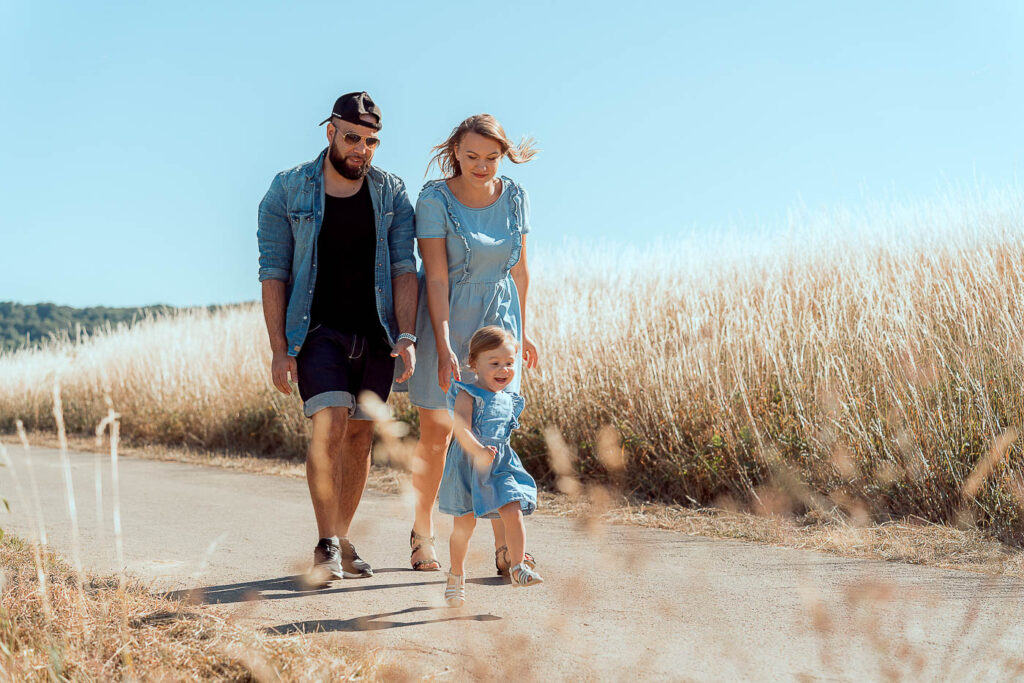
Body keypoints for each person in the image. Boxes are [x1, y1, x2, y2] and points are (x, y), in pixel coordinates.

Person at [257, 92, 418, 580]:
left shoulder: (391, 193)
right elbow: (274, 272)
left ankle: (342, 537)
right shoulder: (287, 191)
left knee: (360, 435)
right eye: (352, 138)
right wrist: (279, 349)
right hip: (318, 332)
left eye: (371, 141)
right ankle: (326, 543)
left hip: (376, 333)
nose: (361, 149)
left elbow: (403, 268)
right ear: (330, 132)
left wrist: (407, 335)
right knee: (330, 420)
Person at [405, 114, 539, 573]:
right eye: (472, 156)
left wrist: (524, 333)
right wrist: (443, 345)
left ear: (503, 155)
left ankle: (507, 551)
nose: (482, 166)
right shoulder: (434, 199)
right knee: (438, 437)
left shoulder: (515, 196)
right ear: (455, 152)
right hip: (447, 318)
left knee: (494, 437)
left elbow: (519, 271)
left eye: (492, 157)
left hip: (498, 323)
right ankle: (423, 534)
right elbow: (436, 278)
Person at [441, 327, 543, 606]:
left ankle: (518, 567)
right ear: (474, 363)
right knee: (464, 526)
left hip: (500, 465)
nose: (503, 369)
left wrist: (492, 453)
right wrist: (477, 450)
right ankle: (456, 575)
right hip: (468, 463)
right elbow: (461, 427)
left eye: (509, 363)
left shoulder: (509, 398)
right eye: (494, 363)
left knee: (513, 510)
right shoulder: (468, 393)